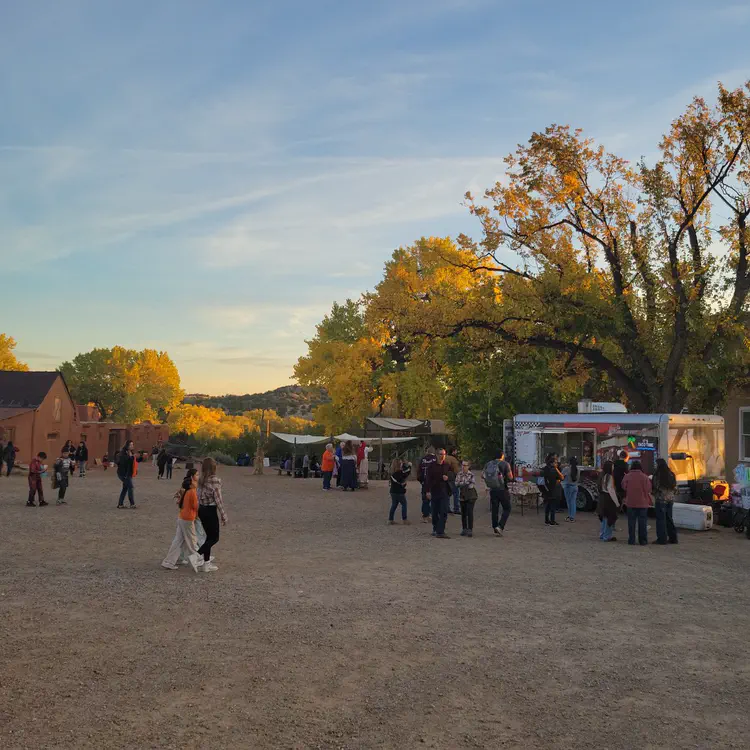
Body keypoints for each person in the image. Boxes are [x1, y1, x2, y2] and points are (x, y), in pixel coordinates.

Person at [162, 469, 202, 572]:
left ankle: (169, 561)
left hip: (182, 517)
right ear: (193, 477)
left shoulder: (187, 490)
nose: (198, 476)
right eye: (197, 475)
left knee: (178, 540)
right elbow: (196, 506)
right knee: (192, 541)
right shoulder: (192, 491)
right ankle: (200, 560)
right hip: (188, 519)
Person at [197, 458, 226, 572]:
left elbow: (198, 495)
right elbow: (218, 500)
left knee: (208, 537)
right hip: (210, 510)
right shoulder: (215, 480)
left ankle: (206, 563)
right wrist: (223, 515)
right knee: (214, 538)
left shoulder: (201, 480)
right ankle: (196, 555)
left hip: (202, 510)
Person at [425, 448, 454, 539]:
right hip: (434, 490)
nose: (442, 456)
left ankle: (441, 531)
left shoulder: (447, 465)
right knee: (435, 511)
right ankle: (435, 528)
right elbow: (427, 479)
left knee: (444, 511)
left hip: (444, 491)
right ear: (437, 455)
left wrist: (448, 477)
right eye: (441, 454)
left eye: (444, 454)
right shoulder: (432, 466)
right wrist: (427, 491)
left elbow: (453, 474)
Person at [483, 450, 513, 536]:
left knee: (494, 509)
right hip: (502, 489)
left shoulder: (488, 464)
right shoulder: (505, 464)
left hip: (493, 490)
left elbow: (482, 475)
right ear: (502, 455)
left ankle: (495, 526)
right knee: (507, 508)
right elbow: (510, 477)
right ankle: (500, 526)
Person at [622, 460, 651, 546]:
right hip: (643, 503)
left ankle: (631, 540)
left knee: (631, 522)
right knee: (642, 522)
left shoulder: (627, 476)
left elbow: (624, 486)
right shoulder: (645, 477)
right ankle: (643, 540)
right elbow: (649, 489)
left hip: (630, 502)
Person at [652, 458, 678, 545]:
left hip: (661, 499)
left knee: (660, 520)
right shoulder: (671, 474)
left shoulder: (657, 475)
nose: (655, 466)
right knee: (669, 519)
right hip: (670, 499)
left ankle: (662, 539)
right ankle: (673, 538)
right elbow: (675, 487)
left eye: (656, 464)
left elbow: (655, 487)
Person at [597, 461, 619, 542]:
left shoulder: (602, 475)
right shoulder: (610, 477)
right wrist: (617, 502)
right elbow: (611, 490)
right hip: (608, 499)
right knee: (609, 517)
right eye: (612, 466)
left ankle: (602, 534)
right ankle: (607, 536)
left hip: (602, 498)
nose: (613, 468)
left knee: (604, 517)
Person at [455, 460, 478, 537]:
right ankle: (464, 528)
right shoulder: (459, 474)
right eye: (462, 465)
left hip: (470, 495)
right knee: (463, 512)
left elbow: (471, 485)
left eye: (465, 465)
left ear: (468, 466)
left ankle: (470, 529)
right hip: (462, 495)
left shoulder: (471, 475)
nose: (463, 467)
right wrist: (465, 483)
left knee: (469, 512)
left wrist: (463, 484)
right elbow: (456, 483)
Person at [541, 453, 563, 526]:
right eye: (555, 462)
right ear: (552, 463)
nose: (557, 464)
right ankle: (552, 521)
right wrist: (556, 469)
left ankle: (546, 520)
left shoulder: (545, 468)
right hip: (553, 489)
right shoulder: (554, 470)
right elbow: (562, 477)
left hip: (546, 489)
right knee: (553, 506)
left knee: (547, 505)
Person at [388, 458, 411, 525]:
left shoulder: (392, 473)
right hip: (399, 491)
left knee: (394, 505)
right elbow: (407, 473)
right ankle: (404, 519)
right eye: (401, 463)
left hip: (393, 491)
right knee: (404, 504)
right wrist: (409, 466)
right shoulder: (400, 473)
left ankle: (390, 519)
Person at [418, 447, 437, 522]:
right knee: (434, 499)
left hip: (424, 482)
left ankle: (425, 516)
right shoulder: (435, 459)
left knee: (425, 499)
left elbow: (419, 472)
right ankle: (433, 515)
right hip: (434, 483)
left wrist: (421, 480)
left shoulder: (423, 459)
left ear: (427, 451)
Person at [116, 440, 137, 509]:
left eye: (132, 444)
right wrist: (131, 457)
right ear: (127, 446)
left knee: (125, 488)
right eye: (131, 445)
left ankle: (120, 504)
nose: (132, 446)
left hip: (128, 473)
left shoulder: (131, 453)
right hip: (124, 474)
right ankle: (132, 504)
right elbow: (124, 463)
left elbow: (133, 462)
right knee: (130, 487)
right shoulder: (123, 453)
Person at [562, 456, 579, 522]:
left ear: (569, 462)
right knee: (573, 502)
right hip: (575, 486)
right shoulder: (578, 469)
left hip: (568, 486)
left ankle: (570, 516)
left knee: (569, 502)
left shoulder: (566, 469)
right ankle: (572, 517)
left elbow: (561, 476)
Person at [445, 448, 461, 514]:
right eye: (456, 450)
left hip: (445, 477)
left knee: (447, 493)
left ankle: (447, 508)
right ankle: (456, 508)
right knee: (456, 493)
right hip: (452, 477)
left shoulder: (445, 457)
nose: (457, 452)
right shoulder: (453, 459)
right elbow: (456, 470)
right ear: (453, 451)